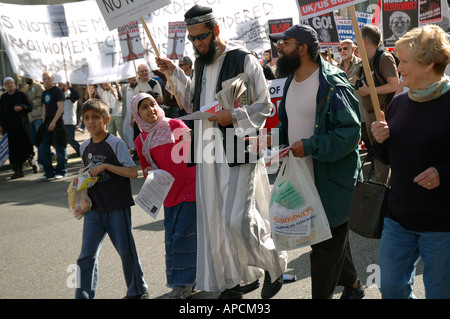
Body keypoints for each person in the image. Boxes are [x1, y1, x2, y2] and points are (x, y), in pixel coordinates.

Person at [156, 4, 287, 299]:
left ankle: (274, 263)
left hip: (239, 149)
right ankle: (231, 281)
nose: (198, 44)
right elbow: (193, 104)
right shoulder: (200, 63)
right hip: (208, 149)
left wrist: (235, 117)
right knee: (214, 219)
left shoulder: (243, 59)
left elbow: (265, 106)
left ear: (215, 30)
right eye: (192, 39)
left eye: (202, 37)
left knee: (236, 219)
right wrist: (174, 73)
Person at [265, 24, 364, 299]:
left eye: (284, 43)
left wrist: (309, 146)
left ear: (303, 48)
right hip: (305, 176)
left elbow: (349, 134)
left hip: (333, 180)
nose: (278, 48)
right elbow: (292, 123)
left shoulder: (333, 84)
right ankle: (354, 286)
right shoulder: (289, 81)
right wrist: (272, 142)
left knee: (323, 248)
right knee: (327, 238)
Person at [371, 25, 450, 299]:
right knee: (390, 288)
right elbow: (387, 158)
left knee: (440, 293)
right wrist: (379, 140)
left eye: (404, 60)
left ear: (428, 63)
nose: (397, 66)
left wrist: (443, 173)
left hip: (442, 224)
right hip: (398, 218)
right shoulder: (399, 102)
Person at [75, 98, 148, 299]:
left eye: (96, 117)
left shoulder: (115, 143)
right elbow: (88, 173)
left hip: (117, 207)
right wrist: (80, 179)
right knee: (86, 256)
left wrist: (107, 166)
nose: (91, 122)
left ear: (106, 119)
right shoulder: (84, 147)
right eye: (87, 118)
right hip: (93, 209)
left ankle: (138, 291)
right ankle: (83, 296)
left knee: (126, 251)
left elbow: (133, 172)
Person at [131, 93, 197, 299]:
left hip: (190, 189)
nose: (150, 109)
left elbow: (196, 149)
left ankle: (182, 285)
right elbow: (145, 167)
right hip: (167, 195)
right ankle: (186, 282)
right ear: (136, 114)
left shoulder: (175, 124)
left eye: (152, 104)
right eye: (144, 107)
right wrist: (150, 172)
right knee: (171, 238)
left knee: (183, 237)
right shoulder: (140, 140)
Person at [355, 25, 399, 182]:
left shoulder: (384, 57)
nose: (355, 42)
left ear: (365, 41)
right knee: (377, 155)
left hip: (381, 112)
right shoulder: (366, 61)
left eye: (358, 39)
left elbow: (394, 84)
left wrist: (368, 91)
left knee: (382, 162)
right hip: (369, 113)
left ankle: (383, 194)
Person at [337, 39, 370, 152]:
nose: (342, 51)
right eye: (339, 49)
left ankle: (374, 165)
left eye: (345, 48)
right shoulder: (336, 68)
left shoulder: (362, 63)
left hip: (362, 110)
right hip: (346, 112)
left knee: (368, 140)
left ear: (353, 49)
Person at [0, 77, 34, 179]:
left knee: (26, 147)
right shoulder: (3, 98)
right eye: (7, 83)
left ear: (14, 84)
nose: (10, 85)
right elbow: (1, 113)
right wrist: (0, 126)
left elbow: (29, 107)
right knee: (13, 151)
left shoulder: (21, 95)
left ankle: (32, 162)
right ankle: (18, 171)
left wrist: (22, 107)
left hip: (21, 127)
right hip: (9, 129)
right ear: (5, 86)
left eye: (11, 83)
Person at [38, 71, 67, 181]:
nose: (46, 80)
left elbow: (60, 108)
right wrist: (44, 120)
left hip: (57, 121)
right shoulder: (44, 93)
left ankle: (61, 170)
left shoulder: (57, 91)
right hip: (47, 121)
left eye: (48, 78)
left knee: (59, 146)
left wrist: (54, 122)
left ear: (53, 79)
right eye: (44, 78)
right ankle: (48, 172)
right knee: (43, 147)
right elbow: (45, 107)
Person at [21, 77, 44, 171]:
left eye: (28, 77)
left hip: (38, 116)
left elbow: (42, 99)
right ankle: (48, 153)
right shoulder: (25, 88)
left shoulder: (38, 86)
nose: (27, 78)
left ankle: (41, 161)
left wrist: (32, 102)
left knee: (40, 139)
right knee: (34, 140)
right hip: (30, 118)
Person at [59, 81, 81, 157]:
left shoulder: (71, 94)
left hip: (69, 120)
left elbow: (77, 96)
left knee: (70, 139)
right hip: (62, 121)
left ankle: (81, 151)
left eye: (62, 84)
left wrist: (70, 87)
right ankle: (63, 157)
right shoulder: (61, 94)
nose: (60, 86)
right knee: (62, 140)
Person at [120, 77, 139, 158]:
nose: (134, 81)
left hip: (136, 116)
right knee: (125, 132)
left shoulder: (138, 88)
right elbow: (120, 98)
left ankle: (135, 150)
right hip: (126, 114)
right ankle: (131, 148)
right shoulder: (124, 88)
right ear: (129, 80)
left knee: (134, 134)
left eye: (135, 79)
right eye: (132, 79)